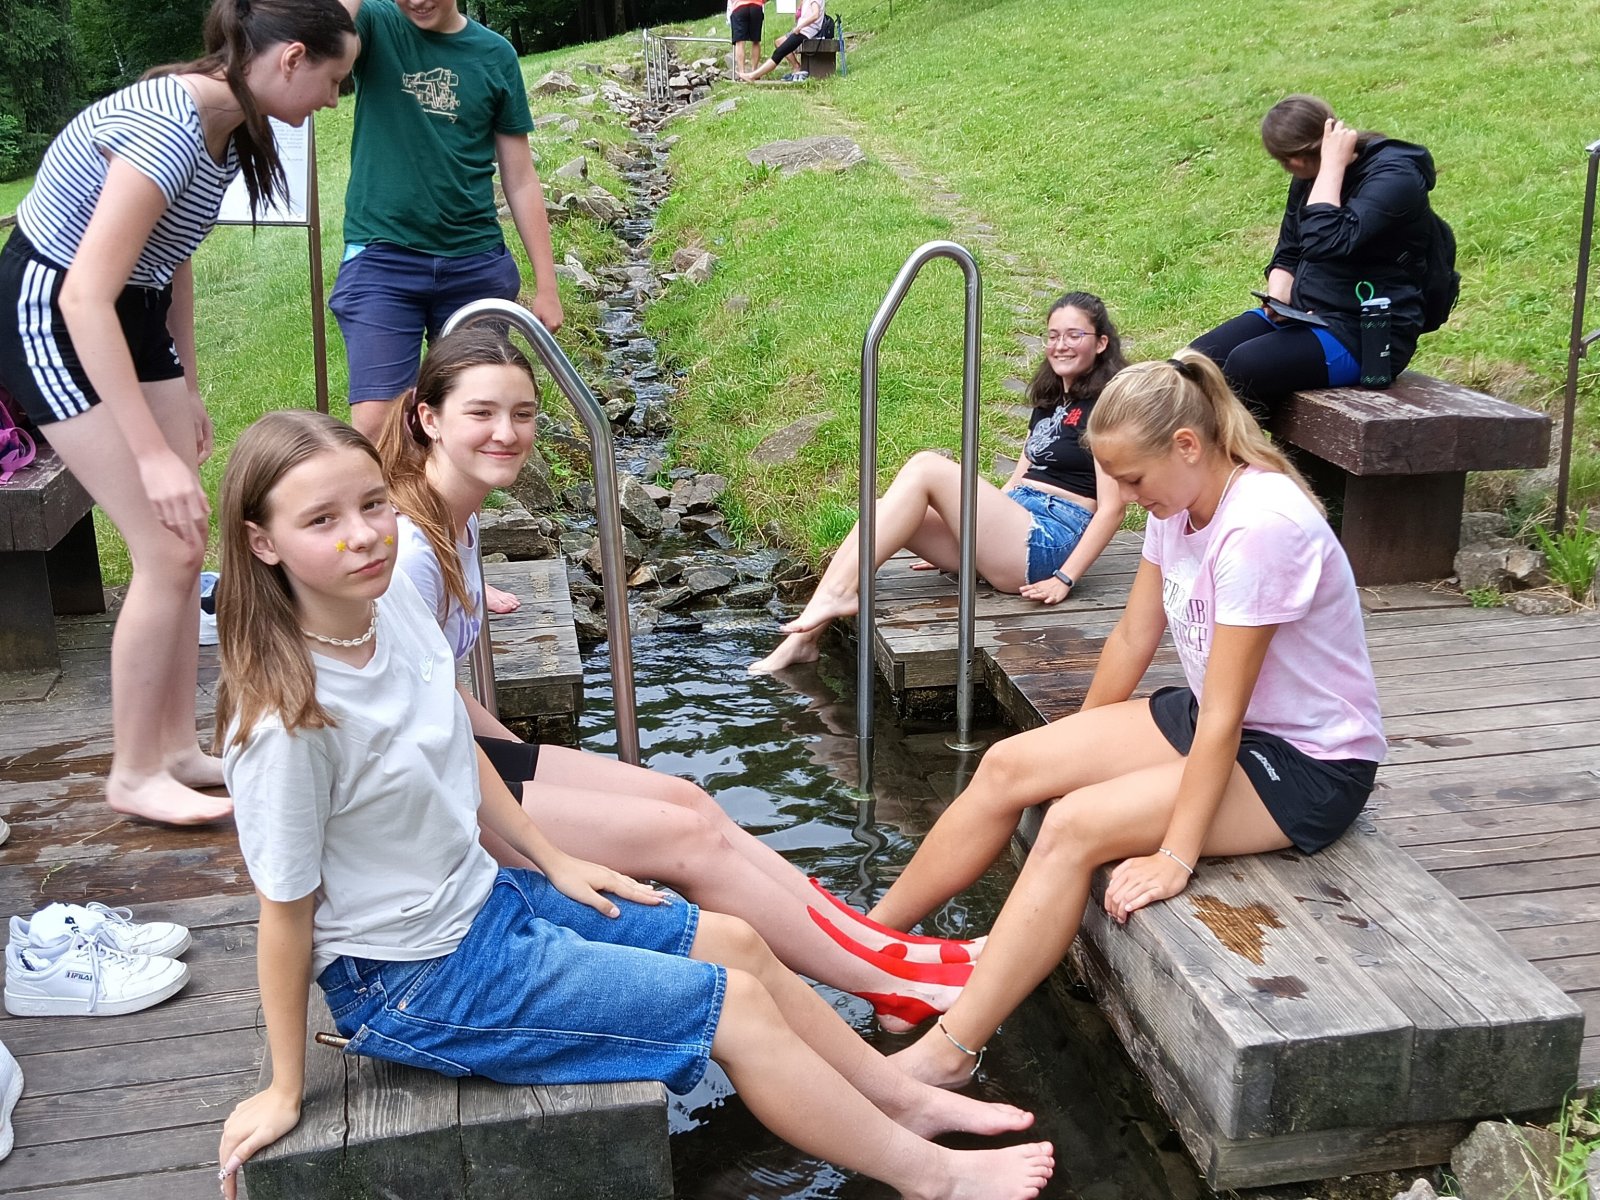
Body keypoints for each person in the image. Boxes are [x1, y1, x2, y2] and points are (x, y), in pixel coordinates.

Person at [211, 409, 1056, 1199]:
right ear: (262, 543)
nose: (364, 534)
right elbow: (284, 912)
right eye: (321, 520)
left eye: (372, 504)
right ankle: (934, 1179)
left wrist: (553, 859)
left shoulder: (386, 606)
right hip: (414, 981)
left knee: (736, 941)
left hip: (489, 904)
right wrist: (285, 1087)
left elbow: (456, 748)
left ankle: (901, 1096)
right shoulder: (286, 722)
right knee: (731, 1005)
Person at [377, 327, 980, 1032]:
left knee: (688, 801)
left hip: (455, 757)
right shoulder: (409, 553)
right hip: (420, 808)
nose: (506, 433)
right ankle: (894, 984)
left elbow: (440, 691)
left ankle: (892, 949)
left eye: (523, 413)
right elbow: (403, 735)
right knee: (683, 839)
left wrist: (527, 757)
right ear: (428, 417)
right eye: (481, 413)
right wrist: (531, 823)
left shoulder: (455, 515)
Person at [861, 352, 1386, 1088]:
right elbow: (1133, 637)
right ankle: (871, 949)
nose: (1129, 499)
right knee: (1010, 765)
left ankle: (952, 1051)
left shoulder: (1261, 527)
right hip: (1216, 717)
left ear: (1187, 445)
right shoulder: (1179, 503)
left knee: (1075, 825)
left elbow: (1227, 716)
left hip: (1305, 763)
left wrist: (1176, 854)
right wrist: (1073, 747)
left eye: (1133, 481)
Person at [0, 0, 359, 825]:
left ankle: (172, 750)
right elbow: (83, 295)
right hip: (53, 309)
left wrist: (187, 384)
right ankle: (132, 772)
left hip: (131, 306)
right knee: (162, 546)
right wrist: (150, 453)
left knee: (184, 540)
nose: (333, 100)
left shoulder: (230, 127)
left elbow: (171, 261)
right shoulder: (166, 129)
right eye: (334, 79)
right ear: (291, 59)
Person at [751, 292, 1130, 676]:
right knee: (879, 511)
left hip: (1049, 540)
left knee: (926, 466)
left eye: (1074, 335)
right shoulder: (1051, 399)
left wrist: (1065, 578)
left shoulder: (1107, 407)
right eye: (1053, 335)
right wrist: (967, 532)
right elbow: (1020, 477)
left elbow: (1113, 508)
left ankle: (837, 595)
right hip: (1018, 526)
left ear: (1100, 343)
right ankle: (803, 640)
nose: (1060, 345)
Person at [329, 0, 562, 447]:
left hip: (475, 264)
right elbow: (318, 30)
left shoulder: (495, 54)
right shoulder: (376, 23)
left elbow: (520, 178)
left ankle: (451, 499)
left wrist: (547, 285)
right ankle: (387, 497)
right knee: (380, 427)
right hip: (383, 259)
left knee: (473, 421)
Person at [1190, 94, 1443, 412]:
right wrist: (1279, 299)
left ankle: (1240, 445)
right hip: (1309, 315)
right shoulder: (1309, 178)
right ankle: (1212, 442)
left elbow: (1327, 239)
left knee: (1246, 366)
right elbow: (1289, 251)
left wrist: (1332, 167)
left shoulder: (1395, 175)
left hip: (1368, 333)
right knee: (1196, 363)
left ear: (1293, 160)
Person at [739, 0, 824, 81]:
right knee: (779, 45)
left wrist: (800, 27)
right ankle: (796, 66)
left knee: (779, 53)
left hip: (805, 32)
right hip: (802, 30)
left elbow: (815, 15)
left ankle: (752, 76)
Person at [728, 0, 766, 79]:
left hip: (739, 7)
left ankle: (742, 73)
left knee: (740, 42)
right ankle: (754, 72)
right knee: (756, 41)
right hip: (756, 7)